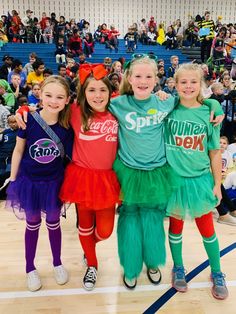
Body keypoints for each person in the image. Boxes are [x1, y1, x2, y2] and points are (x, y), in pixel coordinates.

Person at [109, 56, 224, 290]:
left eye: (149, 76)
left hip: (175, 176)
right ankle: (140, 267)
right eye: (138, 76)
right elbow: (89, 106)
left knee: (161, 223)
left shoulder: (168, 104)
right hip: (140, 174)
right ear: (128, 78)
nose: (143, 81)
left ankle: (162, 264)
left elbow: (212, 143)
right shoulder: (121, 104)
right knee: (134, 223)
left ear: (157, 80)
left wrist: (215, 104)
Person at [165, 63, 228, 300]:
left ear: (200, 85)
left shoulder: (209, 113)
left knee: (207, 229)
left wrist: (216, 183)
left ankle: (217, 271)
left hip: (200, 179)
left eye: (193, 82)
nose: (188, 86)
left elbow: (214, 152)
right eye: (183, 82)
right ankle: (178, 267)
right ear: (175, 84)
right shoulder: (168, 109)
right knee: (176, 227)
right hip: (174, 180)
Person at [6, 76, 72, 292]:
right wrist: (13, 179)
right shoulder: (28, 119)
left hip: (54, 183)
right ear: (40, 95)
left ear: (67, 100)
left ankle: (57, 262)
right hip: (30, 182)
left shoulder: (67, 126)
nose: (54, 101)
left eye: (60, 97)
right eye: (49, 95)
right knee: (32, 223)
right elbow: (18, 150)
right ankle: (29, 268)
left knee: (54, 223)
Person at [59, 64, 120, 291]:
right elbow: (49, 107)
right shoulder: (75, 111)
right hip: (82, 178)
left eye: (102, 90)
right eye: (91, 90)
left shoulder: (117, 111)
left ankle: (89, 248)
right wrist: (24, 111)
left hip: (107, 180)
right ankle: (92, 264)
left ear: (110, 91)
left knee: (104, 231)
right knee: (84, 226)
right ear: (84, 92)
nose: (97, 95)